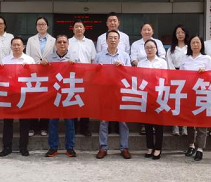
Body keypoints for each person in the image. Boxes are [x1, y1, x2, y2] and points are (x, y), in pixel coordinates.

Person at [94, 30, 132, 160]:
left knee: (123, 121)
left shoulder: (125, 56)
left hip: (120, 91)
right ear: (106, 40)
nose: (113, 40)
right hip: (105, 91)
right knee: (104, 121)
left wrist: (123, 67)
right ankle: (103, 147)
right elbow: (93, 73)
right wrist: (98, 69)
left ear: (119, 41)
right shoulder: (99, 56)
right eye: (110, 38)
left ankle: (124, 147)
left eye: (115, 38)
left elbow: (131, 74)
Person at [41, 34, 77, 158]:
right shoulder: (49, 58)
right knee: (52, 122)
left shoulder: (74, 58)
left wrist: (75, 66)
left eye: (64, 42)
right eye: (59, 42)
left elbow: (81, 75)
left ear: (68, 44)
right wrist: (42, 64)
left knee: (70, 123)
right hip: (53, 95)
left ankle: (70, 147)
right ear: (55, 44)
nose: (62, 44)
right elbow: (42, 74)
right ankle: (53, 147)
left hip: (68, 94)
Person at [182, 35, 211, 162]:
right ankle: (191, 145)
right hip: (188, 93)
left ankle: (200, 148)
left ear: (201, 45)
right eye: (193, 42)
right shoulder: (185, 58)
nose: (195, 45)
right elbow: (180, 75)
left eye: (198, 42)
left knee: (201, 122)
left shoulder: (207, 58)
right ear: (189, 45)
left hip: (202, 93)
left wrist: (205, 72)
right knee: (189, 122)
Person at [0, 37, 35, 157]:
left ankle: (23, 147)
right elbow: (1, 77)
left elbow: (35, 76)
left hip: (24, 95)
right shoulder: (5, 60)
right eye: (14, 45)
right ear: (11, 47)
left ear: (23, 47)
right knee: (7, 122)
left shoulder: (29, 60)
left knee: (24, 122)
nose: (16, 47)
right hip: (9, 95)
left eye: (18, 45)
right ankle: (7, 147)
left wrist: (29, 69)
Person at [137, 39, 167, 160]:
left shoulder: (162, 62)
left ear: (156, 49)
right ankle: (149, 147)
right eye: (147, 47)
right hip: (146, 95)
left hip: (159, 95)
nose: (149, 50)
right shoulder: (141, 63)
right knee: (147, 123)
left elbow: (165, 78)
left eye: (152, 47)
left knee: (159, 124)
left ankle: (158, 148)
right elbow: (138, 79)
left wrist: (160, 94)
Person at [25, 16, 55, 136]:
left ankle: (43, 127)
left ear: (47, 26)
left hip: (48, 73)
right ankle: (32, 127)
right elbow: (27, 56)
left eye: (43, 24)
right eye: (39, 24)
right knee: (33, 100)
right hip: (34, 73)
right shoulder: (31, 40)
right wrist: (37, 64)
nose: (41, 26)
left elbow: (54, 56)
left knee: (45, 101)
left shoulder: (53, 40)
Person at [68, 20, 96, 137]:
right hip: (72, 77)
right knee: (73, 101)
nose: (79, 28)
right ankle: (73, 127)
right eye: (76, 27)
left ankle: (85, 128)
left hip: (86, 77)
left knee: (85, 103)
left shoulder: (90, 42)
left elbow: (93, 60)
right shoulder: (68, 42)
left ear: (84, 29)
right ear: (73, 29)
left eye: (81, 27)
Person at [166, 24, 190, 137]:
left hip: (187, 76)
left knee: (185, 102)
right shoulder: (171, 49)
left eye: (182, 32)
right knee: (174, 101)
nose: (180, 34)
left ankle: (184, 125)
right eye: (178, 32)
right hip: (174, 76)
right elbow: (169, 63)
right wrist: (174, 74)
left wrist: (184, 72)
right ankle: (175, 125)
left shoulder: (189, 48)